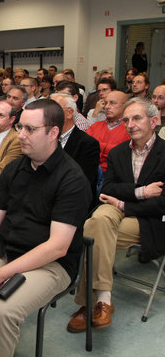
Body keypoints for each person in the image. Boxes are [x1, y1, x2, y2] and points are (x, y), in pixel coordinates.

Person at [0, 99, 92, 357]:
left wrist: (1, 273)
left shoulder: (72, 179)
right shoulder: (14, 169)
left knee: (1, 312)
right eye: (20, 127)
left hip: (50, 265)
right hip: (7, 251)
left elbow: (57, 247)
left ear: (53, 133)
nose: (21, 135)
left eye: (30, 129)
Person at [67, 97, 165, 332]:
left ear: (154, 121)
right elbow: (108, 189)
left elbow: (162, 202)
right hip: (119, 208)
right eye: (126, 120)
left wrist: (124, 204)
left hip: (148, 219)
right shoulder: (119, 152)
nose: (130, 124)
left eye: (137, 118)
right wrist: (142, 192)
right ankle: (103, 300)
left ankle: (88, 303)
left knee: (92, 232)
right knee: (98, 221)